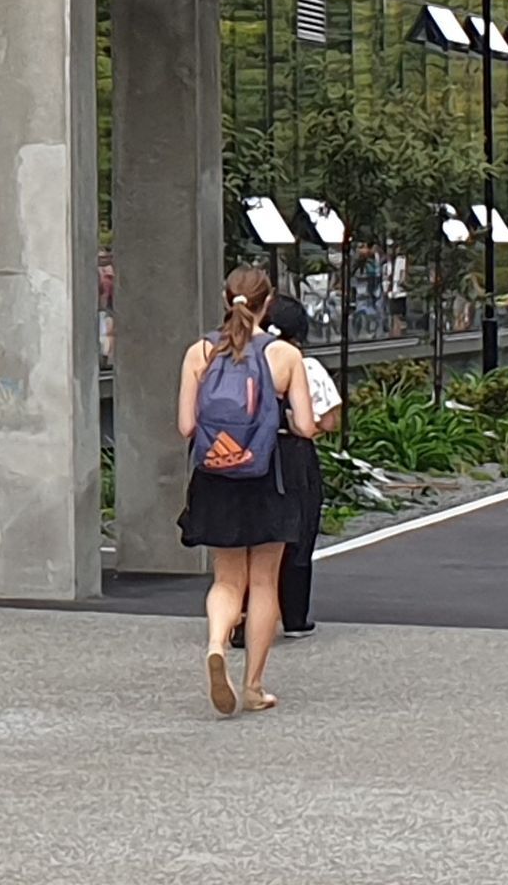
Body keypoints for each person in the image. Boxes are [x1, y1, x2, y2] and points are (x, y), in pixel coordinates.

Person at [178, 266, 322, 716]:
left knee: (226, 579)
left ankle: (218, 642)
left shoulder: (200, 352)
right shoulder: (285, 356)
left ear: (227, 299)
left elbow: (185, 426)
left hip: (217, 476)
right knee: (263, 581)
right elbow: (305, 425)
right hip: (269, 476)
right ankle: (254, 686)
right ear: (269, 302)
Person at [261, 295, 340, 639]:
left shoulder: (241, 359)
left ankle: (242, 616)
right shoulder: (305, 365)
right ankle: (294, 615)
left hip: (250, 455)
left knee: (256, 535)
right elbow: (330, 420)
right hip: (295, 456)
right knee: (299, 531)